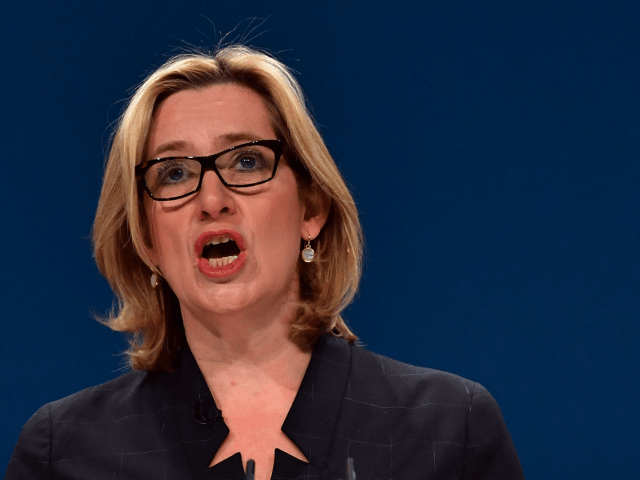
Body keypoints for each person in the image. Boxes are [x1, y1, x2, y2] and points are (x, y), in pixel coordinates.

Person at [5, 45, 525, 480]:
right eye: (175, 174)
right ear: (146, 240)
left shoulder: (449, 429)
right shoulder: (64, 452)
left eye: (247, 161)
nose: (211, 199)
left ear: (311, 210)